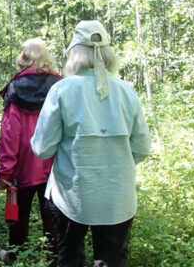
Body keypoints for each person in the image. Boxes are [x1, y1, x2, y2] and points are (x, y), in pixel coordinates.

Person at [31, 20, 151, 267]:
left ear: (74, 53)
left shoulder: (62, 91)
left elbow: (42, 149)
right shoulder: (128, 92)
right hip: (118, 198)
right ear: (107, 53)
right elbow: (141, 149)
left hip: (71, 196)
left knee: (70, 260)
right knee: (111, 261)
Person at [0, 38, 61, 265]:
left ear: (23, 57)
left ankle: (14, 256)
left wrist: (5, 170)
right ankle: (54, 259)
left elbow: (10, 134)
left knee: (18, 214)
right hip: (54, 164)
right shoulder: (60, 86)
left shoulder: (15, 88)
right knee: (52, 215)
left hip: (23, 166)